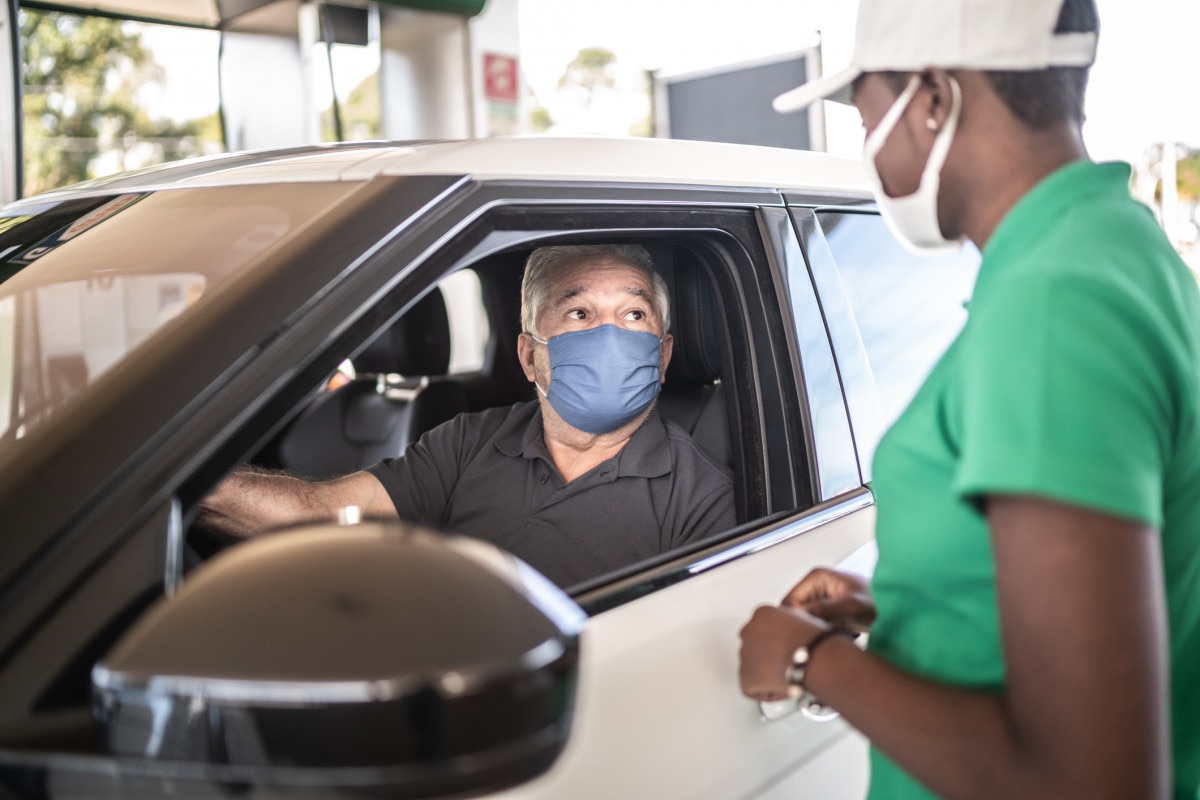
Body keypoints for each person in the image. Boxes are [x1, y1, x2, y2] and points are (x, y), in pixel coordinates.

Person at [738, 1, 1200, 798]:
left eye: (864, 114)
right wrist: (904, 608)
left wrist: (814, 660)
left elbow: (1091, 779)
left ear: (932, 99)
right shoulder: (1118, 245)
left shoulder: (1051, 308)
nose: (866, 145)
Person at [197, 244, 735, 587]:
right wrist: (178, 479)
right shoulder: (468, 440)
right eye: (579, 312)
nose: (609, 333)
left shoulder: (702, 495)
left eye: (634, 313)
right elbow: (323, 514)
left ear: (662, 355)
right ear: (529, 356)